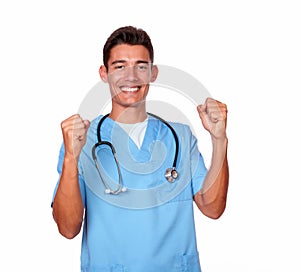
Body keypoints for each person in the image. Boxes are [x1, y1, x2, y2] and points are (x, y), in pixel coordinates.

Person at [52, 26, 229, 272]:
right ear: (104, 73)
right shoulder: (81, 139)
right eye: (120, 66)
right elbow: (68, 228)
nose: (131, 77)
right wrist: (71, 157)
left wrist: (219, 140)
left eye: (141, 66)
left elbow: (212, 208)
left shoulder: (180, 136)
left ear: (153, 73)